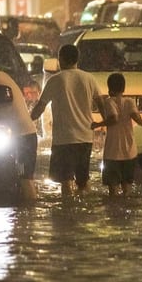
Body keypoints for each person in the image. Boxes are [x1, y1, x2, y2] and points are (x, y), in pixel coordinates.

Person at [30, 44, 105, 197]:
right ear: (77, 59)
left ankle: (68, 214)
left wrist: (27, 120)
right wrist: (106, 123)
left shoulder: (56, 80)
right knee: (83, 182)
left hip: (64, 140)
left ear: (61, 59)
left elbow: (40, 107)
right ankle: (85, 212)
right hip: (85, 138)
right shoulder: (89, 78)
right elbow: (101, 104)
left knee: (65, 182)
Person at [0, 63, 38, 202]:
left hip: (20, 137)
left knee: (24, 178)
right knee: (23, 178)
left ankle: (29, 210)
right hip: (25, 134)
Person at [91, 72, 142, 197]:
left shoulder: (109, 102)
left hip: (113, 153)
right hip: (130, 152)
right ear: (123, 88)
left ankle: (114, 213)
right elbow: (139, 120)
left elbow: (114, 119)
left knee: (113, 190)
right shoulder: (130, 102)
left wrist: (97, 124)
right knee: (127, 188)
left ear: (110, 88)